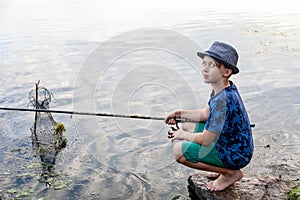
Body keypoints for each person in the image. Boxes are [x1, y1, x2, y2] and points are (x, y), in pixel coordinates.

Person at [165, 41, 254, 192]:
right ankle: (220, 167)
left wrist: (181, 134)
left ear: (226, 72)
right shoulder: (222, 88)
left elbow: (206, 140)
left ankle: (229, 173)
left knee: (179, 152)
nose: (205, 69)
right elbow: (205, 114)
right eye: (204, 64)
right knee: (187, 124)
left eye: (212, 65)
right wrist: (179, 113)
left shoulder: (222, 102)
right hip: (232, 144)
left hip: (236, 153)